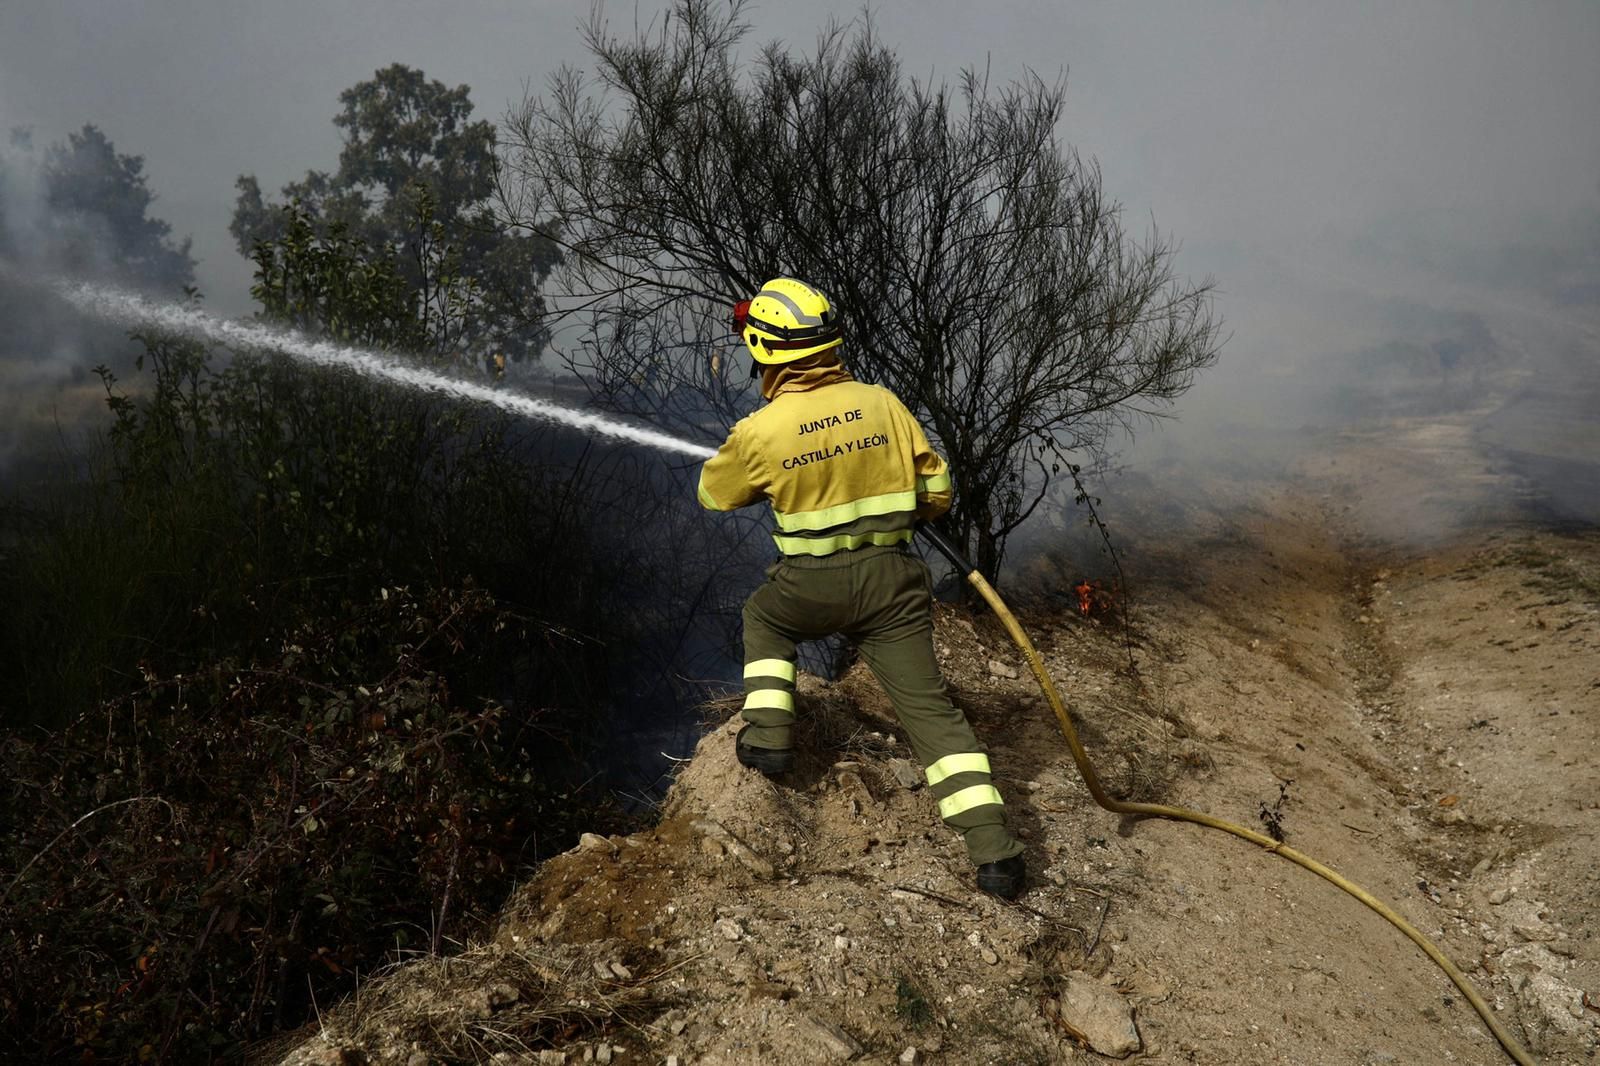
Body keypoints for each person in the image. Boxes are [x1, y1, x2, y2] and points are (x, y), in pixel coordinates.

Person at [696, 277, 1027, 900]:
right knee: (932, 712)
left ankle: (768, 738)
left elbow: (714, 495)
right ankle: (996, 853)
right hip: (892, 590)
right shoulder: (883, 403)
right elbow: (936, 494)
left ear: (765, 351)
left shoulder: (760, 430)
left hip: (807, 590)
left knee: (763, 619)